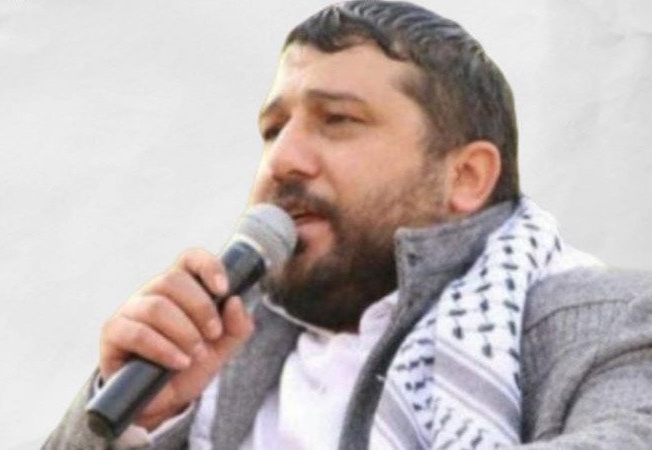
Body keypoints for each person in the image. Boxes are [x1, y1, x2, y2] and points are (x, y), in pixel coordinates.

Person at [43, 1, 652, 449]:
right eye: (273, 130)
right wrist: (138, 421)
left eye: (336, 120)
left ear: (466, 177)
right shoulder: (212, 360)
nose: (282, 159)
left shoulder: (616, 324)